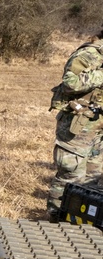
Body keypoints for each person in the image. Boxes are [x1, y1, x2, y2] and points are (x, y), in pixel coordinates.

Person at [48, 26, 103, 221]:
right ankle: (55, 220)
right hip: (77, 126)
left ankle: (81, 223)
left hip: (98, 128)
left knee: (94, 181)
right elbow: (70, 83)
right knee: (72, 175)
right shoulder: (90, 54)